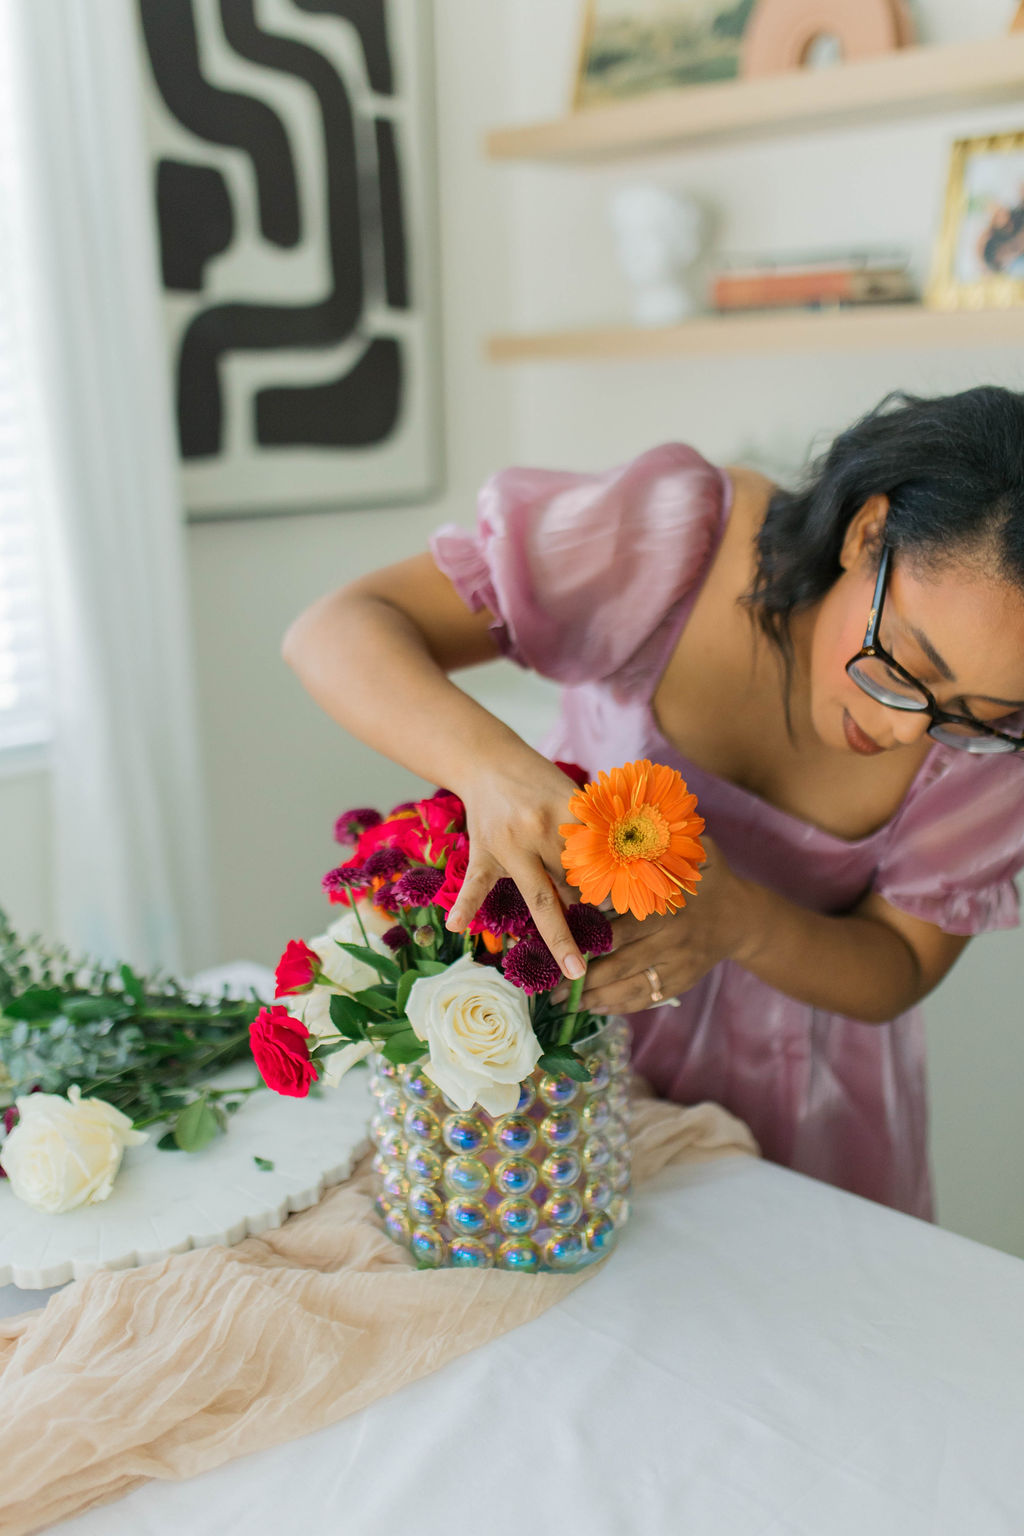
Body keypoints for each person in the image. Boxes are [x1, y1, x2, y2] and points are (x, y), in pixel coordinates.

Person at [282, 386, 1024, 1219]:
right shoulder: (681, 541)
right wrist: (490, 770)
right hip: (579, 1051)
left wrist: (740, 919)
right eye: (904, 661)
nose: (904, 727)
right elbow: (338, 627)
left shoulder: (998, 752)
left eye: (977, 714)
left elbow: (901, 965)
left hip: (814, 1111)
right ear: (868, 533)